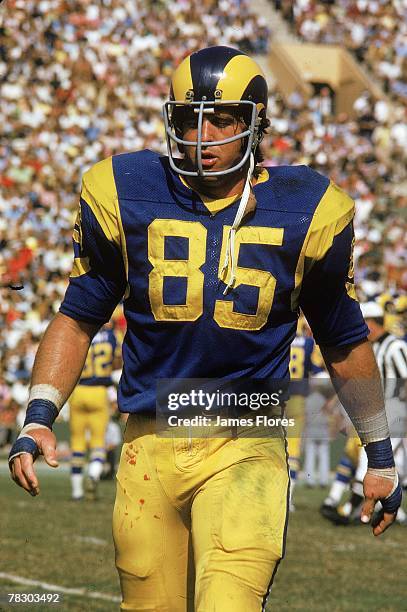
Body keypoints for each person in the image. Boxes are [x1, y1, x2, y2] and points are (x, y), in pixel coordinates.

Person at [8, 46, 402, 611]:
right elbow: (77, 317)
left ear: (255, 124)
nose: (203, 134)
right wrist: (39, 417)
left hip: (246, 443)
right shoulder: (127, 188)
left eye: (222, 119)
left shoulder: (306, 207)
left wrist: (380, 455)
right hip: (148, 445)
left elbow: (342, 341)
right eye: (190, 119)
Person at [69, 321, 121, 500]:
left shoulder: (81, 332)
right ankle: (93, 474)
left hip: (79, 390)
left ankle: (77, 492)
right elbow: (116, 361)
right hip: (99, 391)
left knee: (77, 442)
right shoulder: (111, 336)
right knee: (98, 442)